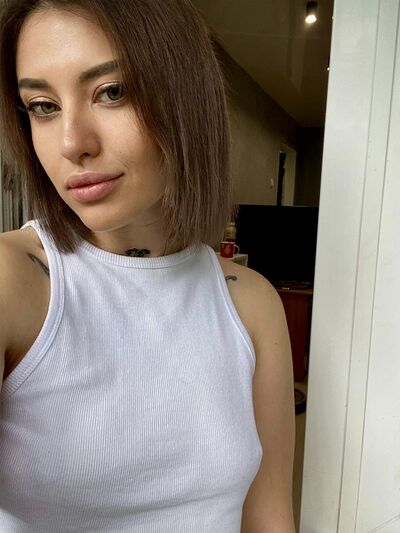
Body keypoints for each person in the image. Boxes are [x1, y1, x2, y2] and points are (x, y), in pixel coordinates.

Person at [0, 0, 296, 531]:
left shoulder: (250, 301)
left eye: (112, 92)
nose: (72, 143)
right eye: (43, 106)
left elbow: (270, 518)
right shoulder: (13, 280)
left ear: (187, 99)